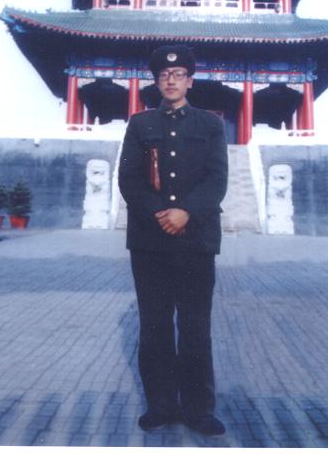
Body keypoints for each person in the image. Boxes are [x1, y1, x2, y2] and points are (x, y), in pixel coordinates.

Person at [119, 45, 228, 437]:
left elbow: (217, 179)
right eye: (164, 75)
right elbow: (129, 179)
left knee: (196, 328)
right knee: (155, 326)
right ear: (156, 81)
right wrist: (161, 214)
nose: (171, 80)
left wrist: (186, 212)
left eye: (179, 74)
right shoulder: (139, 124)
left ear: (190, 81)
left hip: (196, 241)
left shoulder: (211, 125)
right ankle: (161, 405)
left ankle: (199, 410)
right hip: (150, 242)